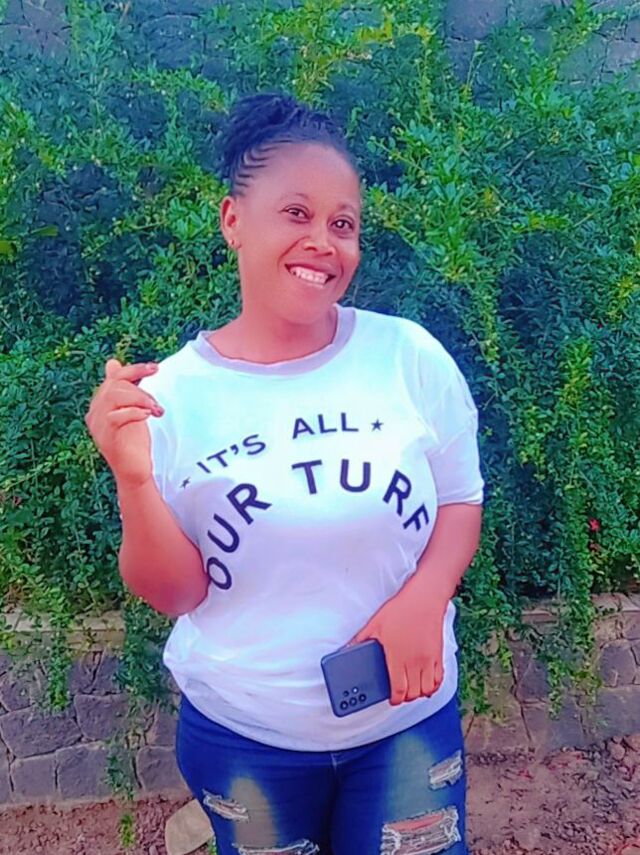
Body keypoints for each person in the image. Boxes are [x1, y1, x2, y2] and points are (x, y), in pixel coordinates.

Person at [85, 92, 484, 855]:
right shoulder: (172, 396)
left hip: (405, 722)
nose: (323, 241)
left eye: (343, 223)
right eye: (296, 212)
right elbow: (176, 592)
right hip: (248, 736)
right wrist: (133, 479)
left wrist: (425, 596)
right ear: (233, 219)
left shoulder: (408, 357)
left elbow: (461, 499)